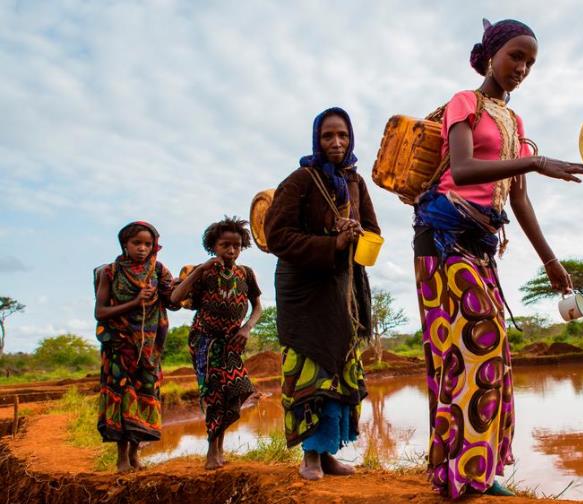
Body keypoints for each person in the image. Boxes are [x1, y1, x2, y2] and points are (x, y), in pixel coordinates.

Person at [413, 18, 583, 499]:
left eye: (530, 62)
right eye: (516, 55)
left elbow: (519, 201)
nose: (522, 68)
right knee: (475, 344)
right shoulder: (463, 103)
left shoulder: (514, 123)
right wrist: (535, 160)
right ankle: (459, 471)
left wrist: (551, 262)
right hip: (443, 237)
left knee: (494, 356)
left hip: (482, 244)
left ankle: (477, 468)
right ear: (492, 54)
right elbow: (466, 167)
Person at [264, 107, 380, 481]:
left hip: (341, 287)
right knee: (312, 369)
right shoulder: (300, 180)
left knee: (340, 369)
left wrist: (356, 233)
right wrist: (331, 242)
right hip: (303, 290)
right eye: (328, 136)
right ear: (317, 139)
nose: (336, 142)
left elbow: (372, 229)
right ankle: (309, 458)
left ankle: (327, 453)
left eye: (343, 135)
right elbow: (278, 236)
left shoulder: (356, 182)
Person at [170, 216, 262, 470]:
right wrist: (199, 270)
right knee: (214, 396)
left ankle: (218, 447)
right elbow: (176, 298)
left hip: (232, 343)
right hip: (205, 342)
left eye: (236, 245)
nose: (231, 250)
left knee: (239, 389)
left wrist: (246, 329)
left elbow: (258, 307)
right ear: (213, 246)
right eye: (225, 245)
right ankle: (213, 452)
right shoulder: (204, 271)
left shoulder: (246, 274)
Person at [94, 221, 178, 472]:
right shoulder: (109, 272)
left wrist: (189, 281)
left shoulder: (159, 270)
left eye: (148, 244)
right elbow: (100, 312)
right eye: (136, 243)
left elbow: (172, 301)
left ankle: (135, 456)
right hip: (119, 347)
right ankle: (121, 459)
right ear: (124, 244)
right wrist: (134, 302)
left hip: (150, 350)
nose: (142, 248)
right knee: (121, 398)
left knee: (144, 397)